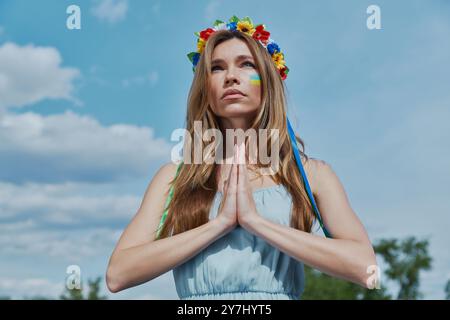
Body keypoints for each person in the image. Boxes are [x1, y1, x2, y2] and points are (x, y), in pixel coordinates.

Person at [106, 16, 378, 300]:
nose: (231, 76)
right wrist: (220, 224)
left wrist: (255, 222)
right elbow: (118, 274)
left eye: (246, 64)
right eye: (216, 68)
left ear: (268, 81)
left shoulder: (310, 175)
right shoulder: (174, 178)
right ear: (205, 88)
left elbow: (366, 268)